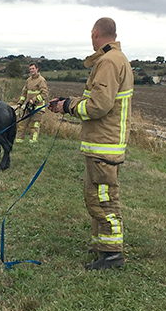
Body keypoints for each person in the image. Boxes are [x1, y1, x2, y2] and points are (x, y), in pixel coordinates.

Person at [49, 17, 134, 270]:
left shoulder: (109, 62)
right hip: (104, 143)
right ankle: (102, 246)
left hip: (104, 144)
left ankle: (112, 255)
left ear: (95, 33)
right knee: (95, 196)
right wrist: (69, 102)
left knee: (103, 200)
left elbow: (98, 105)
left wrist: (68, 106)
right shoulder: (116, 59)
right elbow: (97, 98)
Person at [16, 63, 49, 143]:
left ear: (37, 69)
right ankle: (19, 141)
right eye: (30, 69)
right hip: (28, 107)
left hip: (38, 108)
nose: (31, 70)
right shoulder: (28, 80)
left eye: (33, 68)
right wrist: (20, 103)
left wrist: (34, 100)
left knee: (34, 126)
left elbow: (44, 94)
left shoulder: (41, 80)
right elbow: (24, 93)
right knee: (21, 124)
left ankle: (32, 143)